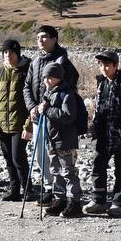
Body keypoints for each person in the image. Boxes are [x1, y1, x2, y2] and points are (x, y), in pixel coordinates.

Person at [25, 26, 79, 205]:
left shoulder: (63, 61)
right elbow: (27, 87)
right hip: (38, 115)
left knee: (60, 157)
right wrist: (32, 106)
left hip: (56, 119)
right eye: (38, 37)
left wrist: (50, 107)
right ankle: (50, 188)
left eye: (45, 37)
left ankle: (64, 196)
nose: (40, 40)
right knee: (41, 154)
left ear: (54, 39)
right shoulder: (35, 62)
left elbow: (69, 88)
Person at [86, 49, 121, 216]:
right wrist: (94, 127)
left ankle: (120, 203)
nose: (103, 68)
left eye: (107, 65)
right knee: (98, 165)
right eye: (101, 65)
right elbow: (98, 106)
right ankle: (98, 200)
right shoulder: (102, 82)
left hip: (120, 134)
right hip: (102, 132)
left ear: (116, 65)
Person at [33, 61, 84, 217]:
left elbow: (68, 116)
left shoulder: (66, 94)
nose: (47, 80)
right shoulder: (48, 93)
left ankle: (74, 203)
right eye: (45, 78)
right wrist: (38, 112)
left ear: (58, 78)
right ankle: (60, 200)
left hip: (65, 139)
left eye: (50, 77)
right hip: (52, 139)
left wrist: (48, 110)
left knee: (68, 172)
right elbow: (46, 115)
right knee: (55, 171)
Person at [0, 38, 30, 201]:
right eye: (5, 52)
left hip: (19, 123)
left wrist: (28, 124)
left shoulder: (27, 71)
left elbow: (31, 98)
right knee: (8, 158)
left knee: (17, 156)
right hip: (1, 123)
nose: (8, 55)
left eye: (11, 52)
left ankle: (27, 188)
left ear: (17, 53)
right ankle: (14, 189)